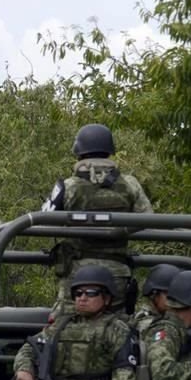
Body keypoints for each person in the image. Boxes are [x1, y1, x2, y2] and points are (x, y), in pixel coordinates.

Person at [43, 124, 153, 316]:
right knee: (119, 329)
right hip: (117, 273)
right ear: (109, 151)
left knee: (63, 330)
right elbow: (149, 220)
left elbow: (44, 220)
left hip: (77, 275)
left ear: (78, 152)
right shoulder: (129, 184)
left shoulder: (68, 186)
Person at [133, 264, 181, 333]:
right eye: (169, 295)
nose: (175, 300)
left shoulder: (171, 317)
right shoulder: (145, 320)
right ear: (154, 295)